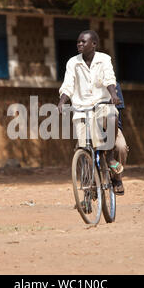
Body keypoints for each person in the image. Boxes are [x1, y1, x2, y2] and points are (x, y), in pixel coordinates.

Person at [57, 30, 125, 195]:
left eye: (83, 42)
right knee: (84, 148)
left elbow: (109, 79)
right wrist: (61, 102)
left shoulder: (104, 60)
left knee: (121, 146)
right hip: (82, 110)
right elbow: (68, 85)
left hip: (102, 105)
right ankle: (89, 188)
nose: (79, 44)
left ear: (94, 44)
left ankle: (112, 165)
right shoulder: (73, 63)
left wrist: (114, 95)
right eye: (78, 42)